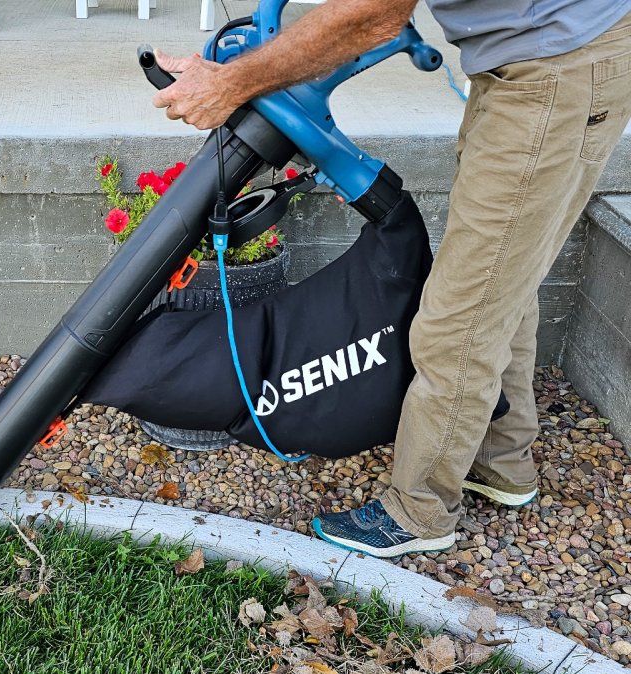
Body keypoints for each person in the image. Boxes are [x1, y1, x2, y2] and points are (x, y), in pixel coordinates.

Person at [152, 0, 631, 558]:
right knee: (502, 283)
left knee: (460, 316)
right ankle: (501, 458)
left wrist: (236, 78)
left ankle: (421, 510)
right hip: (529, 64)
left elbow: (372, 14)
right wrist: (245, 65)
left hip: (555, 69)